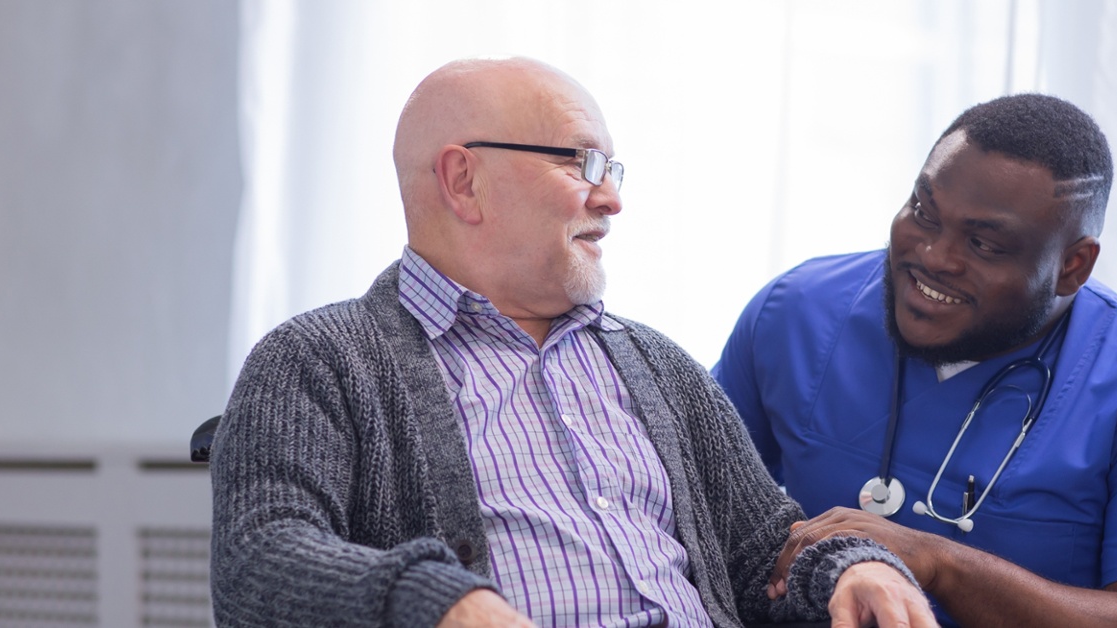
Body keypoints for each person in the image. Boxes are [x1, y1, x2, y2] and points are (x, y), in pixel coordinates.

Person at [211, 57, 937, 628]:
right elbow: (259, 563)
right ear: (464, 181)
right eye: (580, 163)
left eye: (612, 170)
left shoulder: (657, 364)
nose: (612, 199)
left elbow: (763, 548)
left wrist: (851, 567)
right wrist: (439, 602)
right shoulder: (318, 359)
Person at [713, 94, 1117, 627]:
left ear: (1073, 266)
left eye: (983, 244)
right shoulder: (796, 312)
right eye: (924, 211)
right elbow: (686, 508)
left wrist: (938, 563)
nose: (933, 257)